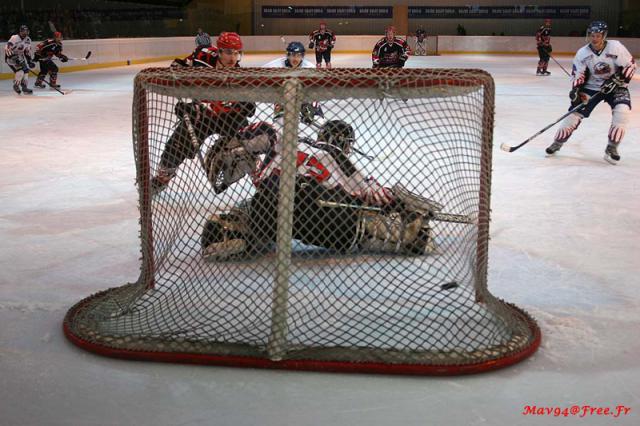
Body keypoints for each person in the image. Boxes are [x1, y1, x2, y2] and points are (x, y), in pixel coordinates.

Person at [200, 118, 434, 261]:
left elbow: (266, 130)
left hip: (272, 202)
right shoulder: (338, 156)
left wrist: (239, 141)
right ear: (346, 144)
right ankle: (411, 234)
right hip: (323, 214)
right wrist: (398, 205)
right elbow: (374, 193)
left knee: (250, 209)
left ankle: (229, 232)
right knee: (362, 220)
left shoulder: (289, 140)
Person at [151, 32, 256, 194]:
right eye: (228, 52)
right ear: (219, 51)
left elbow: (249, 106)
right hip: (201, 116)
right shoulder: (202, 57)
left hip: (228, 118)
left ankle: (259, 179)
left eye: (237, 53)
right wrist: (183, 97)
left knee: (248, 143)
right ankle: (162, 178)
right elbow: (177, 66)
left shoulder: (238, 75)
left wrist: (246, 106)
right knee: (176, 145)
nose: (233, 58)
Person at [545, 21, 636, 164]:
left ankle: (612, 147)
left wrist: (617, 79)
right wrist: (575, 89)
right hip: (591, 87)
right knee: (574, 114)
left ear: (604, 36)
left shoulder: (615, 47)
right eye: (592, 35)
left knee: (622, 112)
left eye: (598, 35)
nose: (594, 38)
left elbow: (630, 65)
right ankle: (558, 142)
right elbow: (578, 73)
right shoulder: (583, 53)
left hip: (617, 86)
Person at [4, 24, 34, 94]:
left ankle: (24, 87)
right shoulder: (14, 38)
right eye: (23, 31)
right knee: (20, 71)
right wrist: (13, 58)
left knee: (26, 71)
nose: (25, 33)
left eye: (26, 31)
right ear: (20, 32)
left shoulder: (28, 40)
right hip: (11, 58)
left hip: (20, 57)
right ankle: (16, 85)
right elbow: (7, 48)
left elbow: (27, 51)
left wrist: (29, 61)